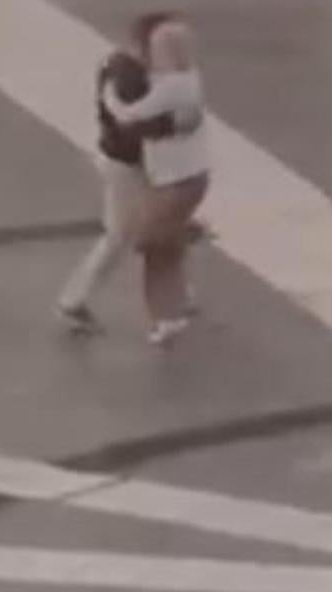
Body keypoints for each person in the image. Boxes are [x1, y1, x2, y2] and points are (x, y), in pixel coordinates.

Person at [54, 13, 180, 334]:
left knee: (166, 220)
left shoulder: (120, 66)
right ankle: (72, 302)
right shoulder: (130, 77)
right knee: (120, 236)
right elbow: (139, 124)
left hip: (124, 159)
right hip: (126, 164)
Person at [104, 14, 210, 346]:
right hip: (192, 177)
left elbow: (128, 115)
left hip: (174, 182)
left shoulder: (171, 88)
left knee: (152, 248)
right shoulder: (190, 78)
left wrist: (109, 92)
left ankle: (166, 318)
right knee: (165, 245)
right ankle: (177, 302)